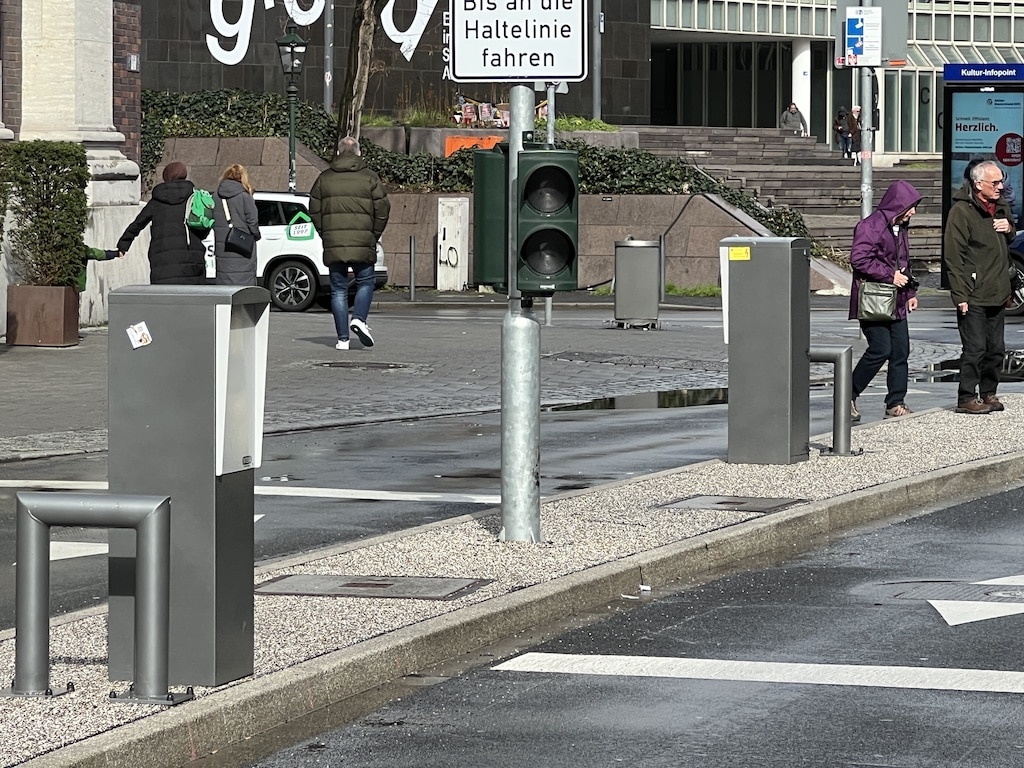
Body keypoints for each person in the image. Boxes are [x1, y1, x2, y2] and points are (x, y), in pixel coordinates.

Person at [944, 159, 1015, 414]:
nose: (1000, 186)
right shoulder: (961, 212)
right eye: (994, 183)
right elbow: (953, 255)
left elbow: (1010, 236)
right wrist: (959, 294)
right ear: (978, 184)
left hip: (997, 290)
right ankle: (966, 397)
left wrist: (1009, 228)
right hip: (973, 293)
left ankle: (989, 393)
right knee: (975, 349)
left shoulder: (1000, 206)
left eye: (1001, 181)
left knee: (996, 349)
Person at [849, 180, 923, 422]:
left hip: (897, 300)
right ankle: (847, 394)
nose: (913, 212)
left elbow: (904, 263)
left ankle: (895, 403)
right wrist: (890, 276)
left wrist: (910, 293)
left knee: (901, 351)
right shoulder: (870, 227)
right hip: (873, 301)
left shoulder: (901, 228)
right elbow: (859, 259)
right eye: (911, 206)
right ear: (898, 205)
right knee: (880, 349)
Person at [309, 136, 390, 350]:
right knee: (366, 281)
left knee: (338, 289)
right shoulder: (370, 178)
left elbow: (314, 210)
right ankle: (359, 319)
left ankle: (342, 339)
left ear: (337, 153)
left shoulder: (324, 178)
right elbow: (383, 209)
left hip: (334, 242)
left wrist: (325, 234)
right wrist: (373, 234)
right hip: (363, 240)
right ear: (359, 153)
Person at [117, 161, 207, 284]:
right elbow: (204, 225)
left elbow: (138, 223)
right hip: (191, 258)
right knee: (192, 299)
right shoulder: (194, 199)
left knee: (164, 299)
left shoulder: (157, 201)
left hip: (162, 260)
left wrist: (123, 244)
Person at [212, 163, 261, 285]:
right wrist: (256, 235)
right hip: (242, 247)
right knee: (244, 287)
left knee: (224, 282)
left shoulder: (215, 197)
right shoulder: (245, 196)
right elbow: (252, 221)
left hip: (223, 248)